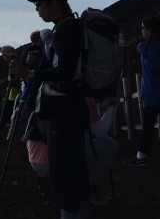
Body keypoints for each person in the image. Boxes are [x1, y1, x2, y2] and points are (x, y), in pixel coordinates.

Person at [10, 0, 91, 219]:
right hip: (73, 106)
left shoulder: (65, 28)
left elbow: (66, 70)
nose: (36, 9)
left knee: (63, 167)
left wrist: (29, 74)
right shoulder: (70, 25)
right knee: (75, 164)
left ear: (53, 3)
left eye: (39, 4)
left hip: (64, 108)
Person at [26, 97, 118, 205]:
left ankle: (50, 180)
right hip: (57, 160)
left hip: (35, 158)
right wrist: (111, 107)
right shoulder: (84, 99)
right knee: (109, 146)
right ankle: (87, 187)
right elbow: (100, 132)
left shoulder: (43, 94)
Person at [123, 15, 160, 167]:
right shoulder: (149, 46)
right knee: (147, 128)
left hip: (154, 95)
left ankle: (141, 158)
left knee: (147, 129)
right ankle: (140, 157)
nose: (142, 30)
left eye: (144, 27)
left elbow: (156, 65)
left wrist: (140, 49)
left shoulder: (153, 47)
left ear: (150, 30)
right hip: (150, 95)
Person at [0, 46, 21, 138]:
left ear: (7, 55)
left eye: (3, 55)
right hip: (12, 95)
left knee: (8, 116)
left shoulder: (15, 65)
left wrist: (4, 82)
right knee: (6, 116)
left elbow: (18, 81)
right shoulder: (12, 64)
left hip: (16, 96)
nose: (3, 57)